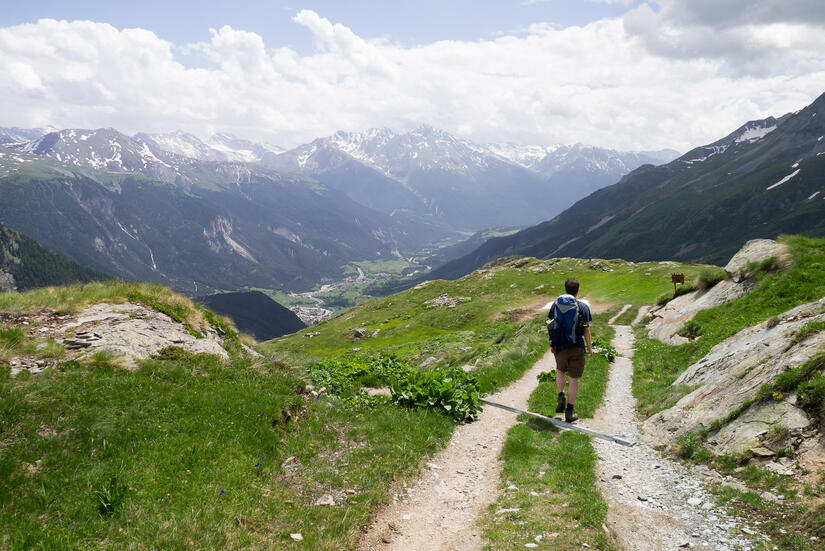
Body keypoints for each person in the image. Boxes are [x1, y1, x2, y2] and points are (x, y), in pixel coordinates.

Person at [548, 278, 593, 423]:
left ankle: (561, 395)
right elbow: (586, 330)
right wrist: (589, 348)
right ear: (577, 290)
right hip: (577, 346)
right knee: (574, 379)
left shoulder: (556, 304)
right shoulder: (583, 307)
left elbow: (552, 324)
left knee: (560, 371)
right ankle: (570, 411)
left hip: (560, 346)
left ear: (565, 289)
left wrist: (553, 344)